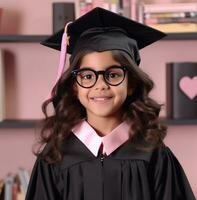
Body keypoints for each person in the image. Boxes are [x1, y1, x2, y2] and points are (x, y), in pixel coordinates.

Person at [25, 7, 196, 200]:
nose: (100, 86)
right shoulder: (55, 156)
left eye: (113, 75)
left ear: (131, 83)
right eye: (88, 76)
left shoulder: (153, 153)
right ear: (74, 86)